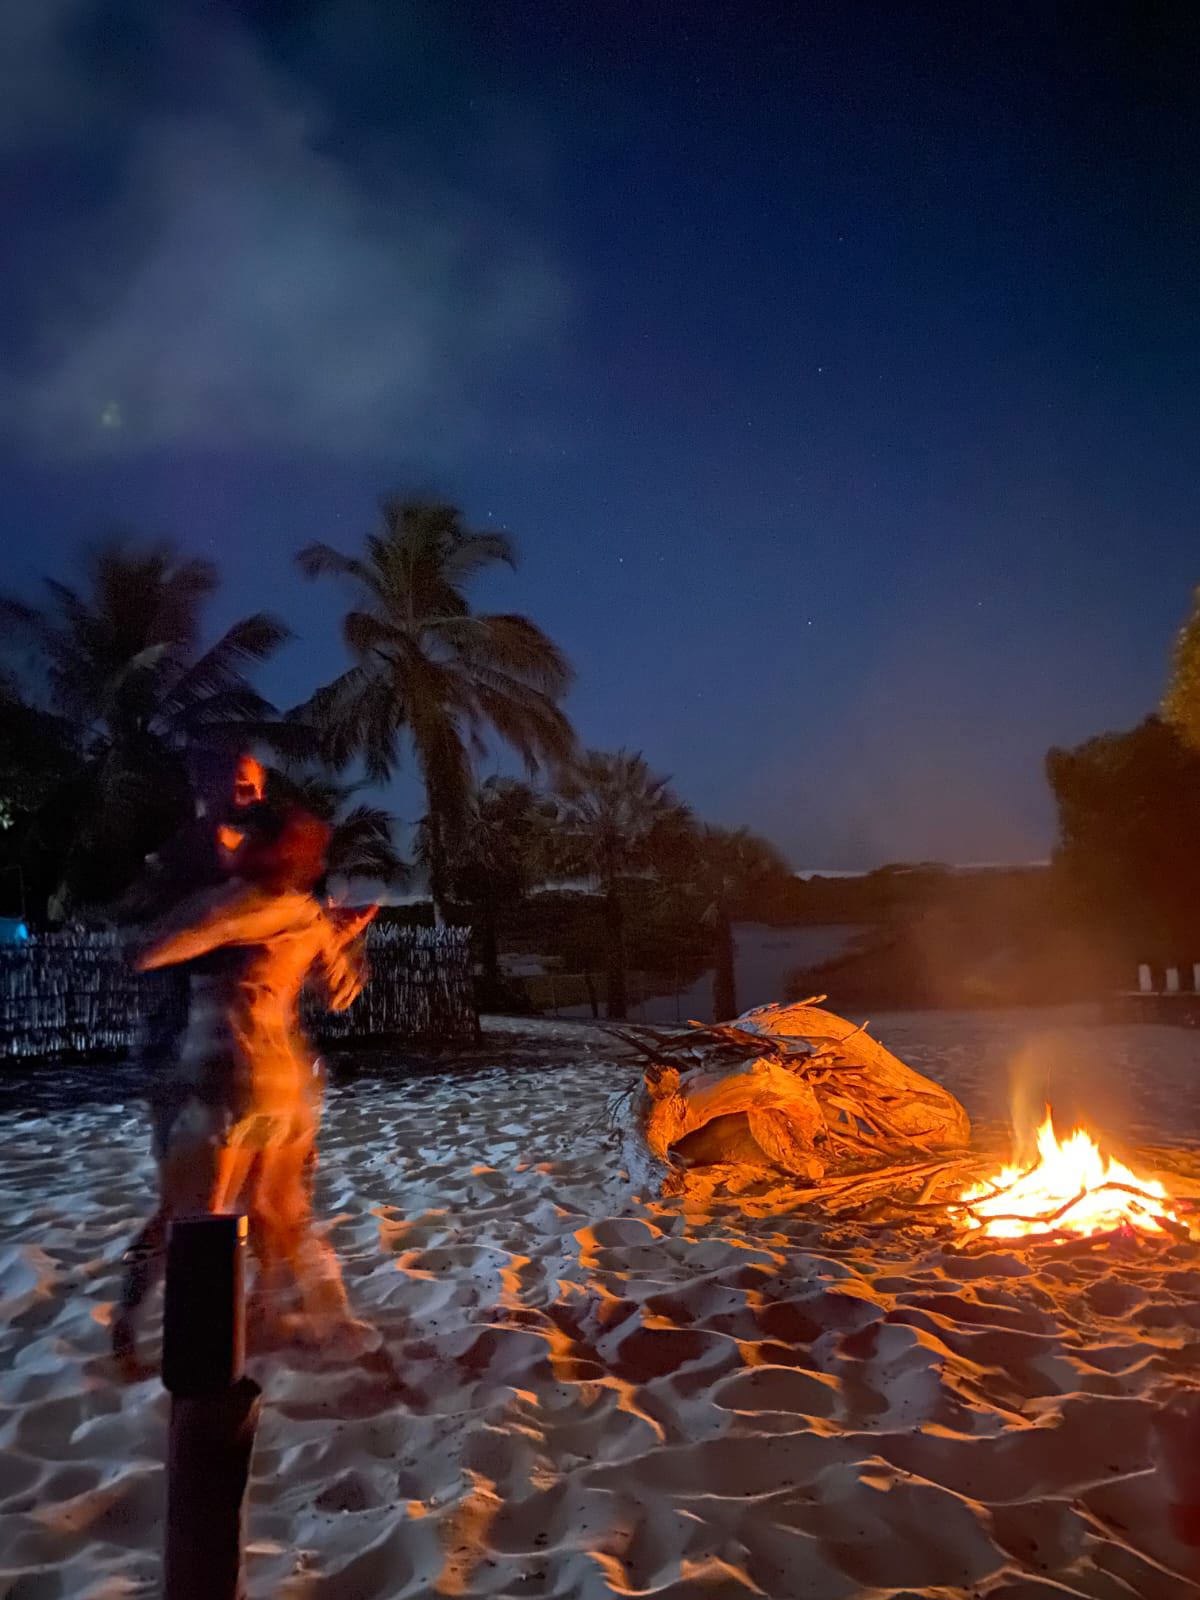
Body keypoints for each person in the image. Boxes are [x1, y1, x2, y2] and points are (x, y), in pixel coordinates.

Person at [115, 806, 376, 1370]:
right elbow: (341, 993)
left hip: (227, 1079)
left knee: (191, 1219)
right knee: (278, 1213)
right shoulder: (306, 914)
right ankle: (297, 1323)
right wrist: (341, 943)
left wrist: (167, 935)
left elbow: (161, 946)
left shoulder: (250, 902)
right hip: (287, 1085)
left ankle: (140, 1333)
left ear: (263, 848)